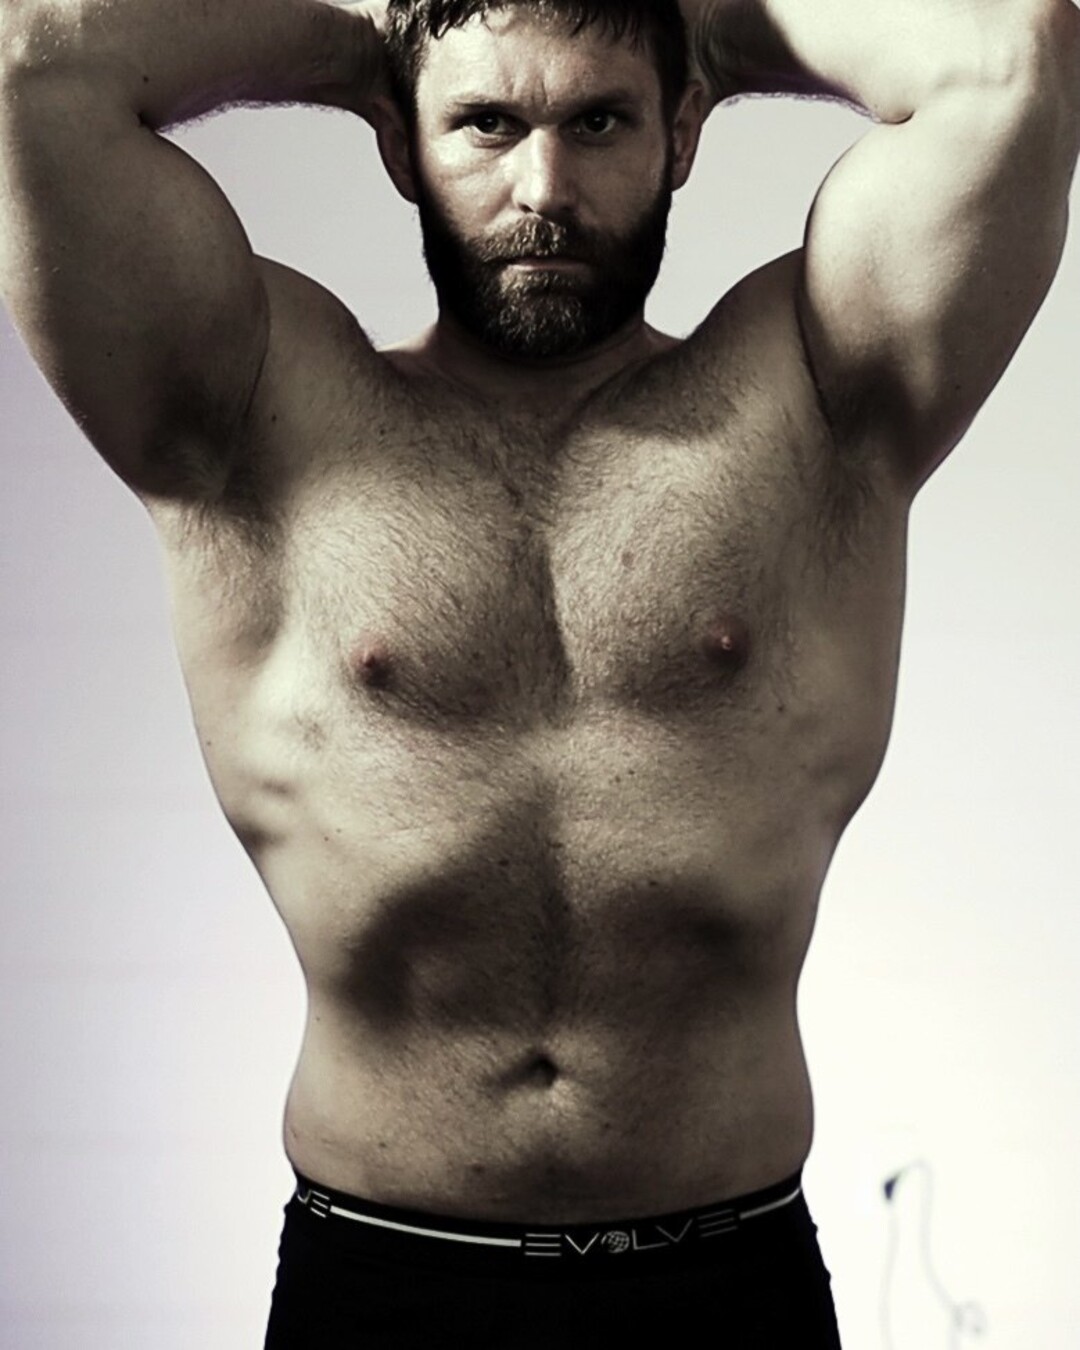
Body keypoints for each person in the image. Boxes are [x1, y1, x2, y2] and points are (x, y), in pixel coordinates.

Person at [1, 0, 1077, 1343]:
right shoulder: (257, 409)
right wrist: (375, 39)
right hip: (384, 1279)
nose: (545, 188)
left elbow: (1011, 57)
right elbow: (36, 62)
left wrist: (698, 30)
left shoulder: (817, 392)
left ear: (682, 132)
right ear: (400, 140)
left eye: (602, 120)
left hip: (724, 1277)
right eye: (486, 123)